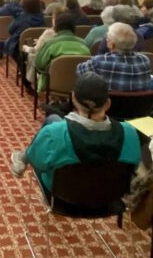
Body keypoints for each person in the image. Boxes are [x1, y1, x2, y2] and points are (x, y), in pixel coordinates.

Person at [10, 72, 141, 214]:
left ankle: (22, 158)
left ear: (73, 98)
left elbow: (39, 163)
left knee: (51, 123)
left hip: (62, 198)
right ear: (108, 103)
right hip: (110, 199)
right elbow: (134, 169)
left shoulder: (55, 133)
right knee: (53, 120)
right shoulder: (130, 133)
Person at [76, 23, 151, 92]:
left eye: (107, 37)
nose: (106, 39)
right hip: (139, 106)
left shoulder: (100, 61)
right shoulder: (144, 60)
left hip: (109, 105)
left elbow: (79, 71)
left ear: (111, 44)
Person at [33, 13, 91, 93]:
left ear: (56, 27)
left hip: (54, 83)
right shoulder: (84, 44)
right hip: (79, 85)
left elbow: (39, 64)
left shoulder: (51, 44)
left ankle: (56, 100)